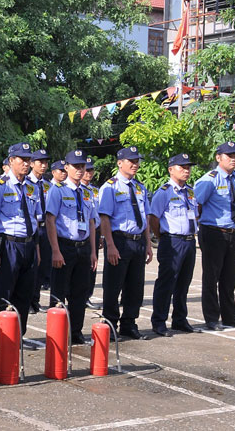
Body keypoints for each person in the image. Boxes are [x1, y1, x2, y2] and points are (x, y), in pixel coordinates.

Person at [0, 143, 40, 348]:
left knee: (24, 293)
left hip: (28, 244)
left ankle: (18, 335)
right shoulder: (0, 186)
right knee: (4, 292)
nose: (27, 164)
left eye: (28, 160)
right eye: (22, 160)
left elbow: (35, 220)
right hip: (8, 244)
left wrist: (36, 250)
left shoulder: (33, 187)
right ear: (11, 161)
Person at [194, 142, 235, 330]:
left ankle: (230, 316)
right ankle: (212, 318)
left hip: (233, 232)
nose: (233, 159)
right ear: (218, 158)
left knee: (230, 277)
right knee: (211, 277)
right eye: (229, 155)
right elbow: (197, 205)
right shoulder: (209, 179)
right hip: (213, 232)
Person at [98, 146, 152, 340]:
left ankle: (129, 323)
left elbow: (145, 217)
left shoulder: (140, 187)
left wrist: (148, 243)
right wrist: (110, 245)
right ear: (120, 163)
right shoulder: (110, 187)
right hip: (119, 240)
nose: (135, 165)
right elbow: (105, 219)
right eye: (131, 161)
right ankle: (110, 323)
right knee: (113, 285)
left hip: (137, 241)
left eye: (137, 161)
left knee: (135, 286)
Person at [45, 150, 97, 345]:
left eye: (82, 166)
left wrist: (92, 251)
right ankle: (57, 333)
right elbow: (50, 220)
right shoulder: (57, 190)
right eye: (76, 166)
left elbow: (91, 221)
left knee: (79, 292)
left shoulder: (87, 192)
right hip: (64, 246)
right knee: (59, 291)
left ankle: (75, 332)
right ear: (66, 167)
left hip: (83, 246)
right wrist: (55, 250)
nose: (79, 170)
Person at [148, 153, 201, 336]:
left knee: (184, 283)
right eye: (182, 167)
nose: (186, 171)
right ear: (171, 170)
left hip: (188, 241)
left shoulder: (190, 191)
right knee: (166, 282)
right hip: (172, 241)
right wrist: (161, 237)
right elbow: (153, 217)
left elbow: (196, 213)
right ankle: (159, 321)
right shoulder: (164, 192)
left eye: (188, 167)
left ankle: (179, 319)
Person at [28, 148, 51, 314]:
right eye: (40, 162)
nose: (43, 165)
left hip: (47, 228)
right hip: (33, 229)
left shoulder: (48, 185)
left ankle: (35, 301)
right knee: (32, 265)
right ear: (31, 164)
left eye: (45, 162)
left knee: (43, 266)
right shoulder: (27, 184)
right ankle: (27, 301)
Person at [81, 157, 102, 310]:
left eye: (91, 170)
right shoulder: (72, 189)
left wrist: (100, 236)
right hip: (79, 232)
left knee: (92, 265)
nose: (89, 173)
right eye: (86, 170)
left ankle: (87, 295)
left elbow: (98, 215)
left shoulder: (95, 190)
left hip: (94, 231)